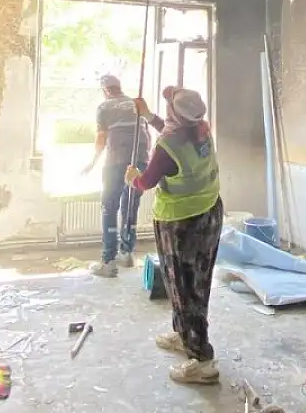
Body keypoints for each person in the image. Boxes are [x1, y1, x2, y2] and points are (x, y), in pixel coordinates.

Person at [126, 87, 223, 386]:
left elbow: (146, 181)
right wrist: (149, 116)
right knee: (196, 283)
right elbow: (172, 135)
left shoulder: (169, 146)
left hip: (181, 224)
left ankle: (202, 361)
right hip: (209, 212)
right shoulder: (201, 129)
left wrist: (133, 179)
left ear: (174, 114)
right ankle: (186, 335)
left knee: (183, 287)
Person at [78, 74, 150, 277]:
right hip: (140, 160)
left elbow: (101, 138)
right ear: (119, 87)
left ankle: (108, 261)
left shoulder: (104, 107)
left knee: (109, 207)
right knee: (130, 205)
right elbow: (147, 134)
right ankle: (127, 253)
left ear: (105, 90)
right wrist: (146, 160)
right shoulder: (136, 104)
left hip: (116, 162)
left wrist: (92, 163)